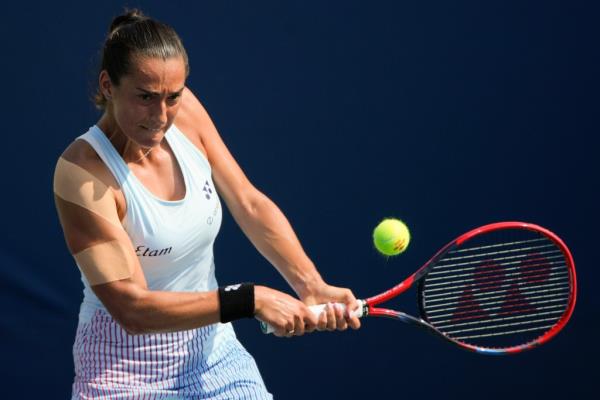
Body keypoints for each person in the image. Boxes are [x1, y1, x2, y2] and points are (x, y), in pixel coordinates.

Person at [53, 9, 361, 399]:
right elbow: (132, 309)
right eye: (145, 97)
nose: (161, 116)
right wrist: (252, 299)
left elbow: (248, 202)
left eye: (172, 97)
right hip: (122, 372)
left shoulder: (183, 113)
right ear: (108, 86)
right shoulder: (82, 174)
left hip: (213, 355)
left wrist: (311, 285)